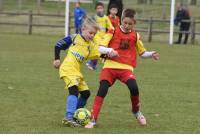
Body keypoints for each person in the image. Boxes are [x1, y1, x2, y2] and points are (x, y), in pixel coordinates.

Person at [85, 9, 160, 129]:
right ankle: (93, 119)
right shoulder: (112, 31)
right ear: (122, 20)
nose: (127, 26)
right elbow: (99, 48)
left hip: (126, 68)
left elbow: (142, 53)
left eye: (130, 24)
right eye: (125, 23)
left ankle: (136, 111)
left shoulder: (135, 36)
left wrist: (151, 54)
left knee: (134, 88)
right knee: (102, 89)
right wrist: (110, 51)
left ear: (134, 23)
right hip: (109, 66)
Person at [53, 17, 118, 127]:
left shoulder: (90, 46)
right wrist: (57, 59)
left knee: (85, 93)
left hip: (76, 71)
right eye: (90, 33)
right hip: (67, 68)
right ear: (83, 29)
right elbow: (58, 45)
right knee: (73, 91)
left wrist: (111, 55)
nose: (92, 35)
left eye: (94, 34)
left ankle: (75, 115)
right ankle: (68, 117)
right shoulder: (75, 38)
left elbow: (99, 53)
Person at [86, 2, 114, 70]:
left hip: (104, 37)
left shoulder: (106, 18)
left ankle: (93, 64)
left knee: (99, 51)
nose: (99, 10)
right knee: (99, 50)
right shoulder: (94, 18)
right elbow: (89, 25)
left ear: (103, 9)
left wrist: (111, 31)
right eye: (98, 8)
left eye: (101, 8)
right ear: (96, 10)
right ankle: (92, 63)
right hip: (96, 37)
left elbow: (110, 27)